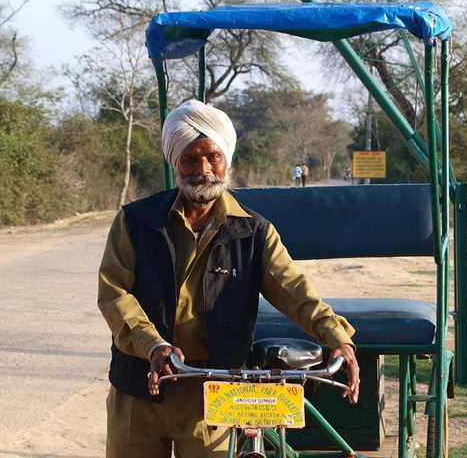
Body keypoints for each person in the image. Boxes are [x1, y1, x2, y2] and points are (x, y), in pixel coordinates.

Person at [98, 99, 360, 458]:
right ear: (175, 161)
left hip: (216, 390)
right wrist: (153, 346)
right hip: (140, 385)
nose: (203, 169)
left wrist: (338, 337)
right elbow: (114, 295)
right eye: (191, 158)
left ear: (226, 161)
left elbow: (295, 291)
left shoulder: (254, 231)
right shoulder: (135, 221)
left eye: (213, 157)